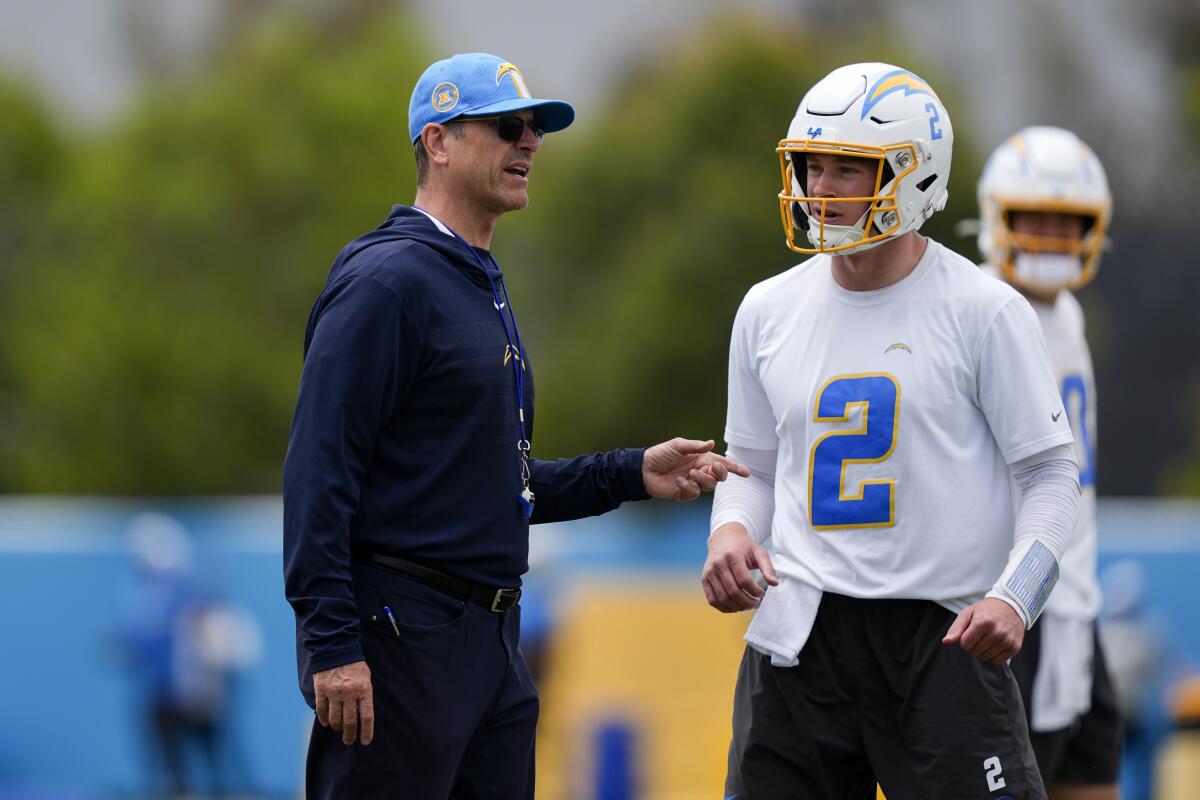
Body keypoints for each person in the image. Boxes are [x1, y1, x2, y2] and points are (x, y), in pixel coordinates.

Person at [282, 52, 747, 799]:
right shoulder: (387, 281)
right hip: (405, 632)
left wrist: (631, 472)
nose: (529, 142)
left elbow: (499, 486)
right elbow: (317, 474)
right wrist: (333, 642)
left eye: (535, 128)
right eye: (506, 126)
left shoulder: (475, 279)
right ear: (438, 141)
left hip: (493, 641)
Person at [701, 62, 1081, 799]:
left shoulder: (984, 311)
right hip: (800, 634)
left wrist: (1015, 595)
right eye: (814, 165)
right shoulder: (766, 310)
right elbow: (752, 467)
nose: (823, 187)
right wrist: (729, 533)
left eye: (852, 167)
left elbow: (1050, 477)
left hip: (940, 635)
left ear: (915, 174)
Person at [978, 125, 1122, 799]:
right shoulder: (978, 310)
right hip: (1010, 599)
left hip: (1075, 598)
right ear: (997, 215)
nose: (1050, 237)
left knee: (1092, 773)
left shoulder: (1068, 315)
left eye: (1068, 223)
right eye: (1033, 217)